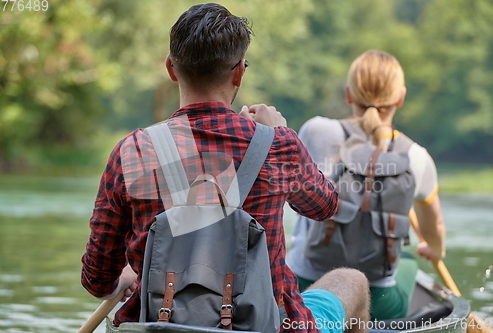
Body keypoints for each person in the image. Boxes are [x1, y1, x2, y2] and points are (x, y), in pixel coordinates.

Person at [81, 3, 370, 333]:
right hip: (271, 324)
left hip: (157, 324)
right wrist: (281, 133)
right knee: (352, 281)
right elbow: (326, 206)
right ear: (239, 72)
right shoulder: (279, 146)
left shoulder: (131, 152)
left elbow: (97, 280)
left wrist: (136, 270)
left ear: (171, 68)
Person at [286, 50, 446, 321]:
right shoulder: (417, 157)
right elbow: (434, 228)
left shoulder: (316, 131)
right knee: (407, 258)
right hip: (377, 302)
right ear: (400, 97)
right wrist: (434, 250)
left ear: (349, 95)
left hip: (304, 285)